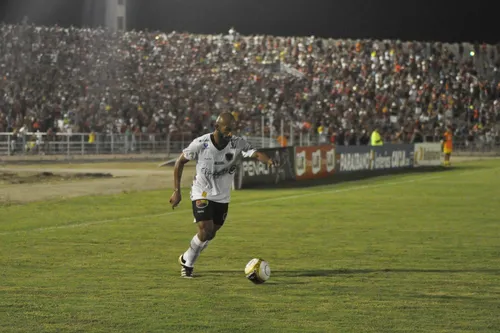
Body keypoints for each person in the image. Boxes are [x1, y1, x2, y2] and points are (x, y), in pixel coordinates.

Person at [169, 112, 278, 278]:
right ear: (216, 127)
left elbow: (256, 153)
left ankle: (186, 257)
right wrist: (177, 191)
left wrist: (268, 161)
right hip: (202, 192)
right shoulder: (200, 143)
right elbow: (179, 162)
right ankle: (188, 263)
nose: (230, 134)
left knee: (211, 233)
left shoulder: (237, 143)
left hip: (222, 196)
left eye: (232, 130)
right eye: (227, 130)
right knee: (206, 230)